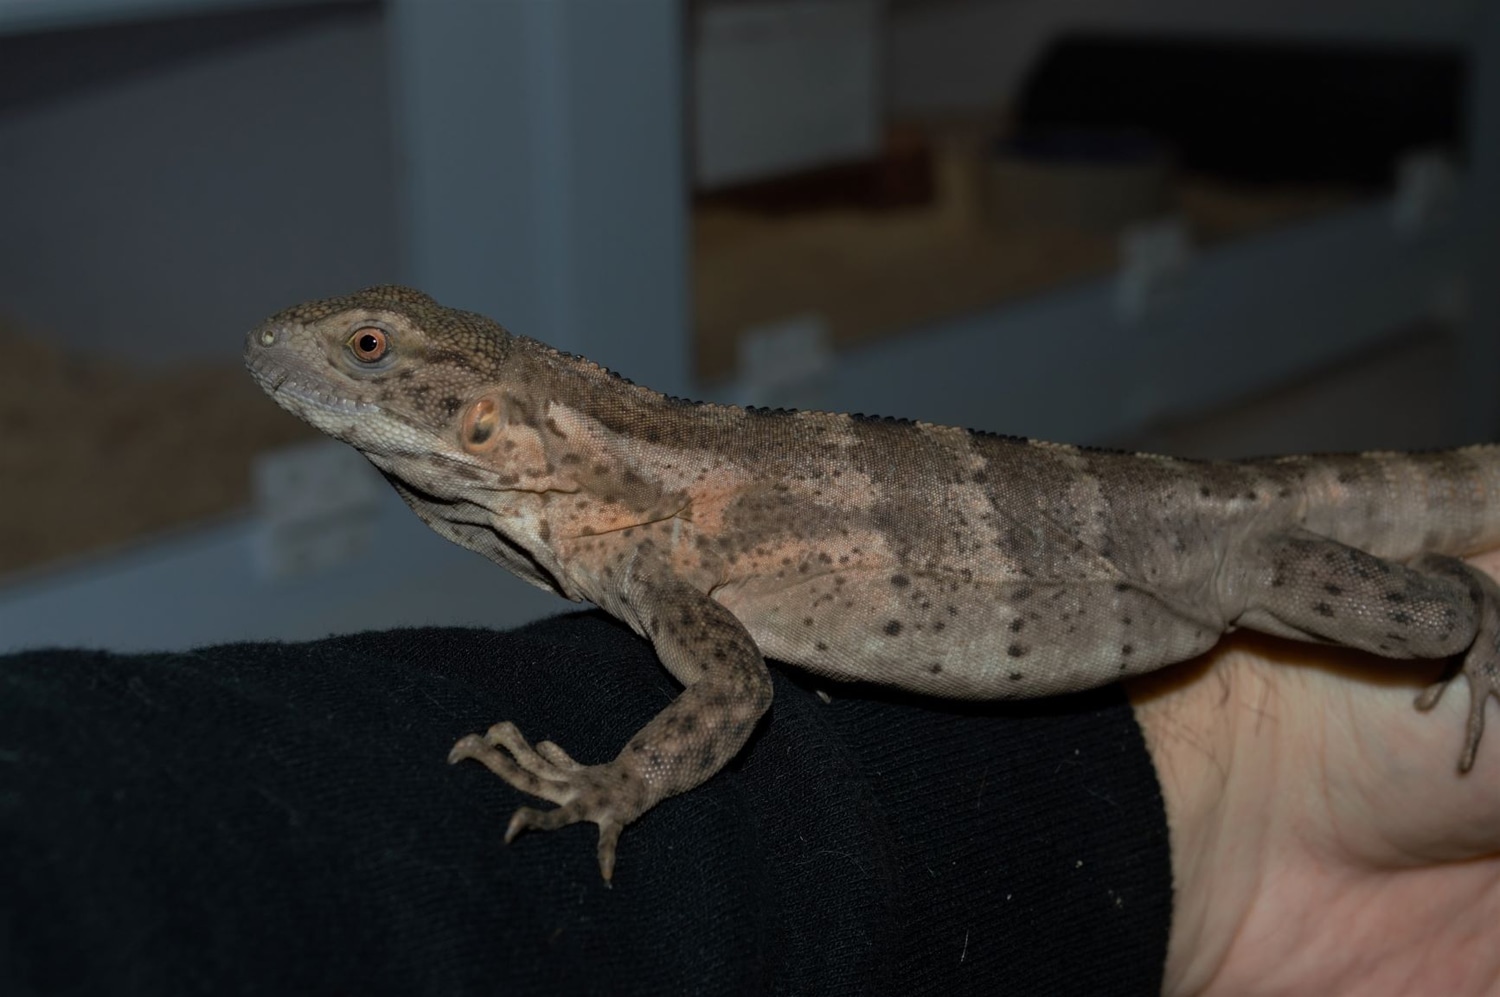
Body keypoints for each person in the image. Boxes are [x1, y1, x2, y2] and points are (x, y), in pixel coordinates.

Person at [2, 551, 1497, 995]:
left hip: (1207, 545)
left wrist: (614, 787)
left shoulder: (654, 539)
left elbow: (733, 688)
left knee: (1435, 616)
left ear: (488, 415)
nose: (335, 372)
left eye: (378, 357)